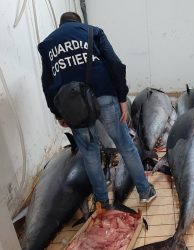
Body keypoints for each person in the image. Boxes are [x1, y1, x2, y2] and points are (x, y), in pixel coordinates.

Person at [38, 12, 156, 208]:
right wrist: (121, 96)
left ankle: (102, 201)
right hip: (103, 95)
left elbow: (47, 83)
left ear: (60, 25)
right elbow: (115, 64)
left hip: (73, 106)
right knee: (125, 144)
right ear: (79, 22)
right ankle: (144, 191)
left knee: (90, 153)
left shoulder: (47, 44)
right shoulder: (93, 32)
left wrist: (57, 113)